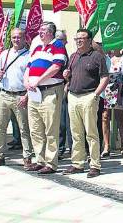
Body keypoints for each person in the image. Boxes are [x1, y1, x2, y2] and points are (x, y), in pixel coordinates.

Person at [63, 29, 109, 178]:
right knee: (76, 132)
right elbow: (70, 78)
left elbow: (105, 78)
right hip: (73, 96)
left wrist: (95, 95)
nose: (79, 41)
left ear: (89, 40)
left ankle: (95, 165)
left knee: (91, 133)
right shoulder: (73, 56)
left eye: (82, 38)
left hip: (89, 96)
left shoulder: (97, 56)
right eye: (77, 38)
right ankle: (77, 163)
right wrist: (67, 77)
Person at [25, 22, 68, 174]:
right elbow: (28, 67)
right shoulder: (37, 48)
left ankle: (51, 163)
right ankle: (40, 159)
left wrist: (38, 80)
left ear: (50, 32)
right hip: (34, 93)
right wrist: (27, 81)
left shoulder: (57, 45)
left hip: (50, 91)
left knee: (51, 128)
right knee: (35, 129)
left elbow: (56, 66)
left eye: (43, 30)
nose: (40, 32)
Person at [0, 28, 33, 168]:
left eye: (19, 37)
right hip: (4, 94)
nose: (16, 40)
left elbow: (32, 77)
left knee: (24, 128)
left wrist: (26, 95)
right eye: (14, 37)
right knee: (0, 127)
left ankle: (27, 157)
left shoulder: (29, 55)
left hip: (20, 95)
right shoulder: (4, 54)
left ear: (24, 38)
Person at [102, 48, 123, 157]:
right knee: (105, 117)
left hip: (118, 88)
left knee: (119, 118)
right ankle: (106, 146)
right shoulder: (106, 58)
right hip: (106, 88)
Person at [56, 30, 73, 158]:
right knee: (59, 124)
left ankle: (71, 148)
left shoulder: (67, 55)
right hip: (52, 90)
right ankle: (59, 148)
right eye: (63, 39)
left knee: (67, 123)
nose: (66, 42)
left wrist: (67, 83)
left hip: (64, 90)